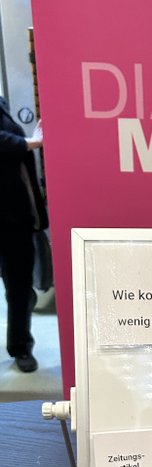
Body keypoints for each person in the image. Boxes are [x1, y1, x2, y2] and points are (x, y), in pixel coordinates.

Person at [0, 96, 48, 372]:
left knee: (18, 285)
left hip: (14, 216)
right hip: (8, 215)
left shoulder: (2, 105)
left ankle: (20, 346)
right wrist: (31, 142)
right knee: (18, 286)